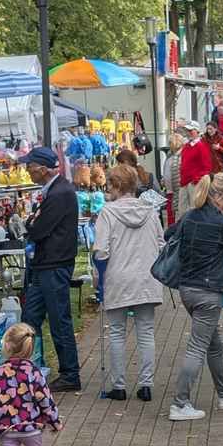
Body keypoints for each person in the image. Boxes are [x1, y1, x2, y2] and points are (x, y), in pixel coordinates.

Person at [165, 174, 223, 423]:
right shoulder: (220, 223)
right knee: (197, 347)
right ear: (218, 196)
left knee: (214, 343)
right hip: (208, 292)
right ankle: (180, 403)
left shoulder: (189, 216)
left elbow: (169, 234)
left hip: (187, 289)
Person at [89, 161, 165, 401]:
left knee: (117, 333)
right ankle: (146, 385)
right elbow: (161, 244)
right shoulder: (150, 211)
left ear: (115, 185)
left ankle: (119, 385)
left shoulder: (108, 213)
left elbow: (102, 251)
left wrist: (97, 276)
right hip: (146, 277)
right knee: (146, 332)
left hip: (118, 277)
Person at [19, 146, 81, 391]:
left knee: (59, 320)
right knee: (30, 317)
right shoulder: (54, 190)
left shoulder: (59, 193)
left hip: (54, 264)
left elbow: (38, 229)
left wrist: (29, 225)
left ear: (43, 169)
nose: (27, 170)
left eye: (30, 166)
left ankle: (70, 374)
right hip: (46, 263)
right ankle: (28, 367)